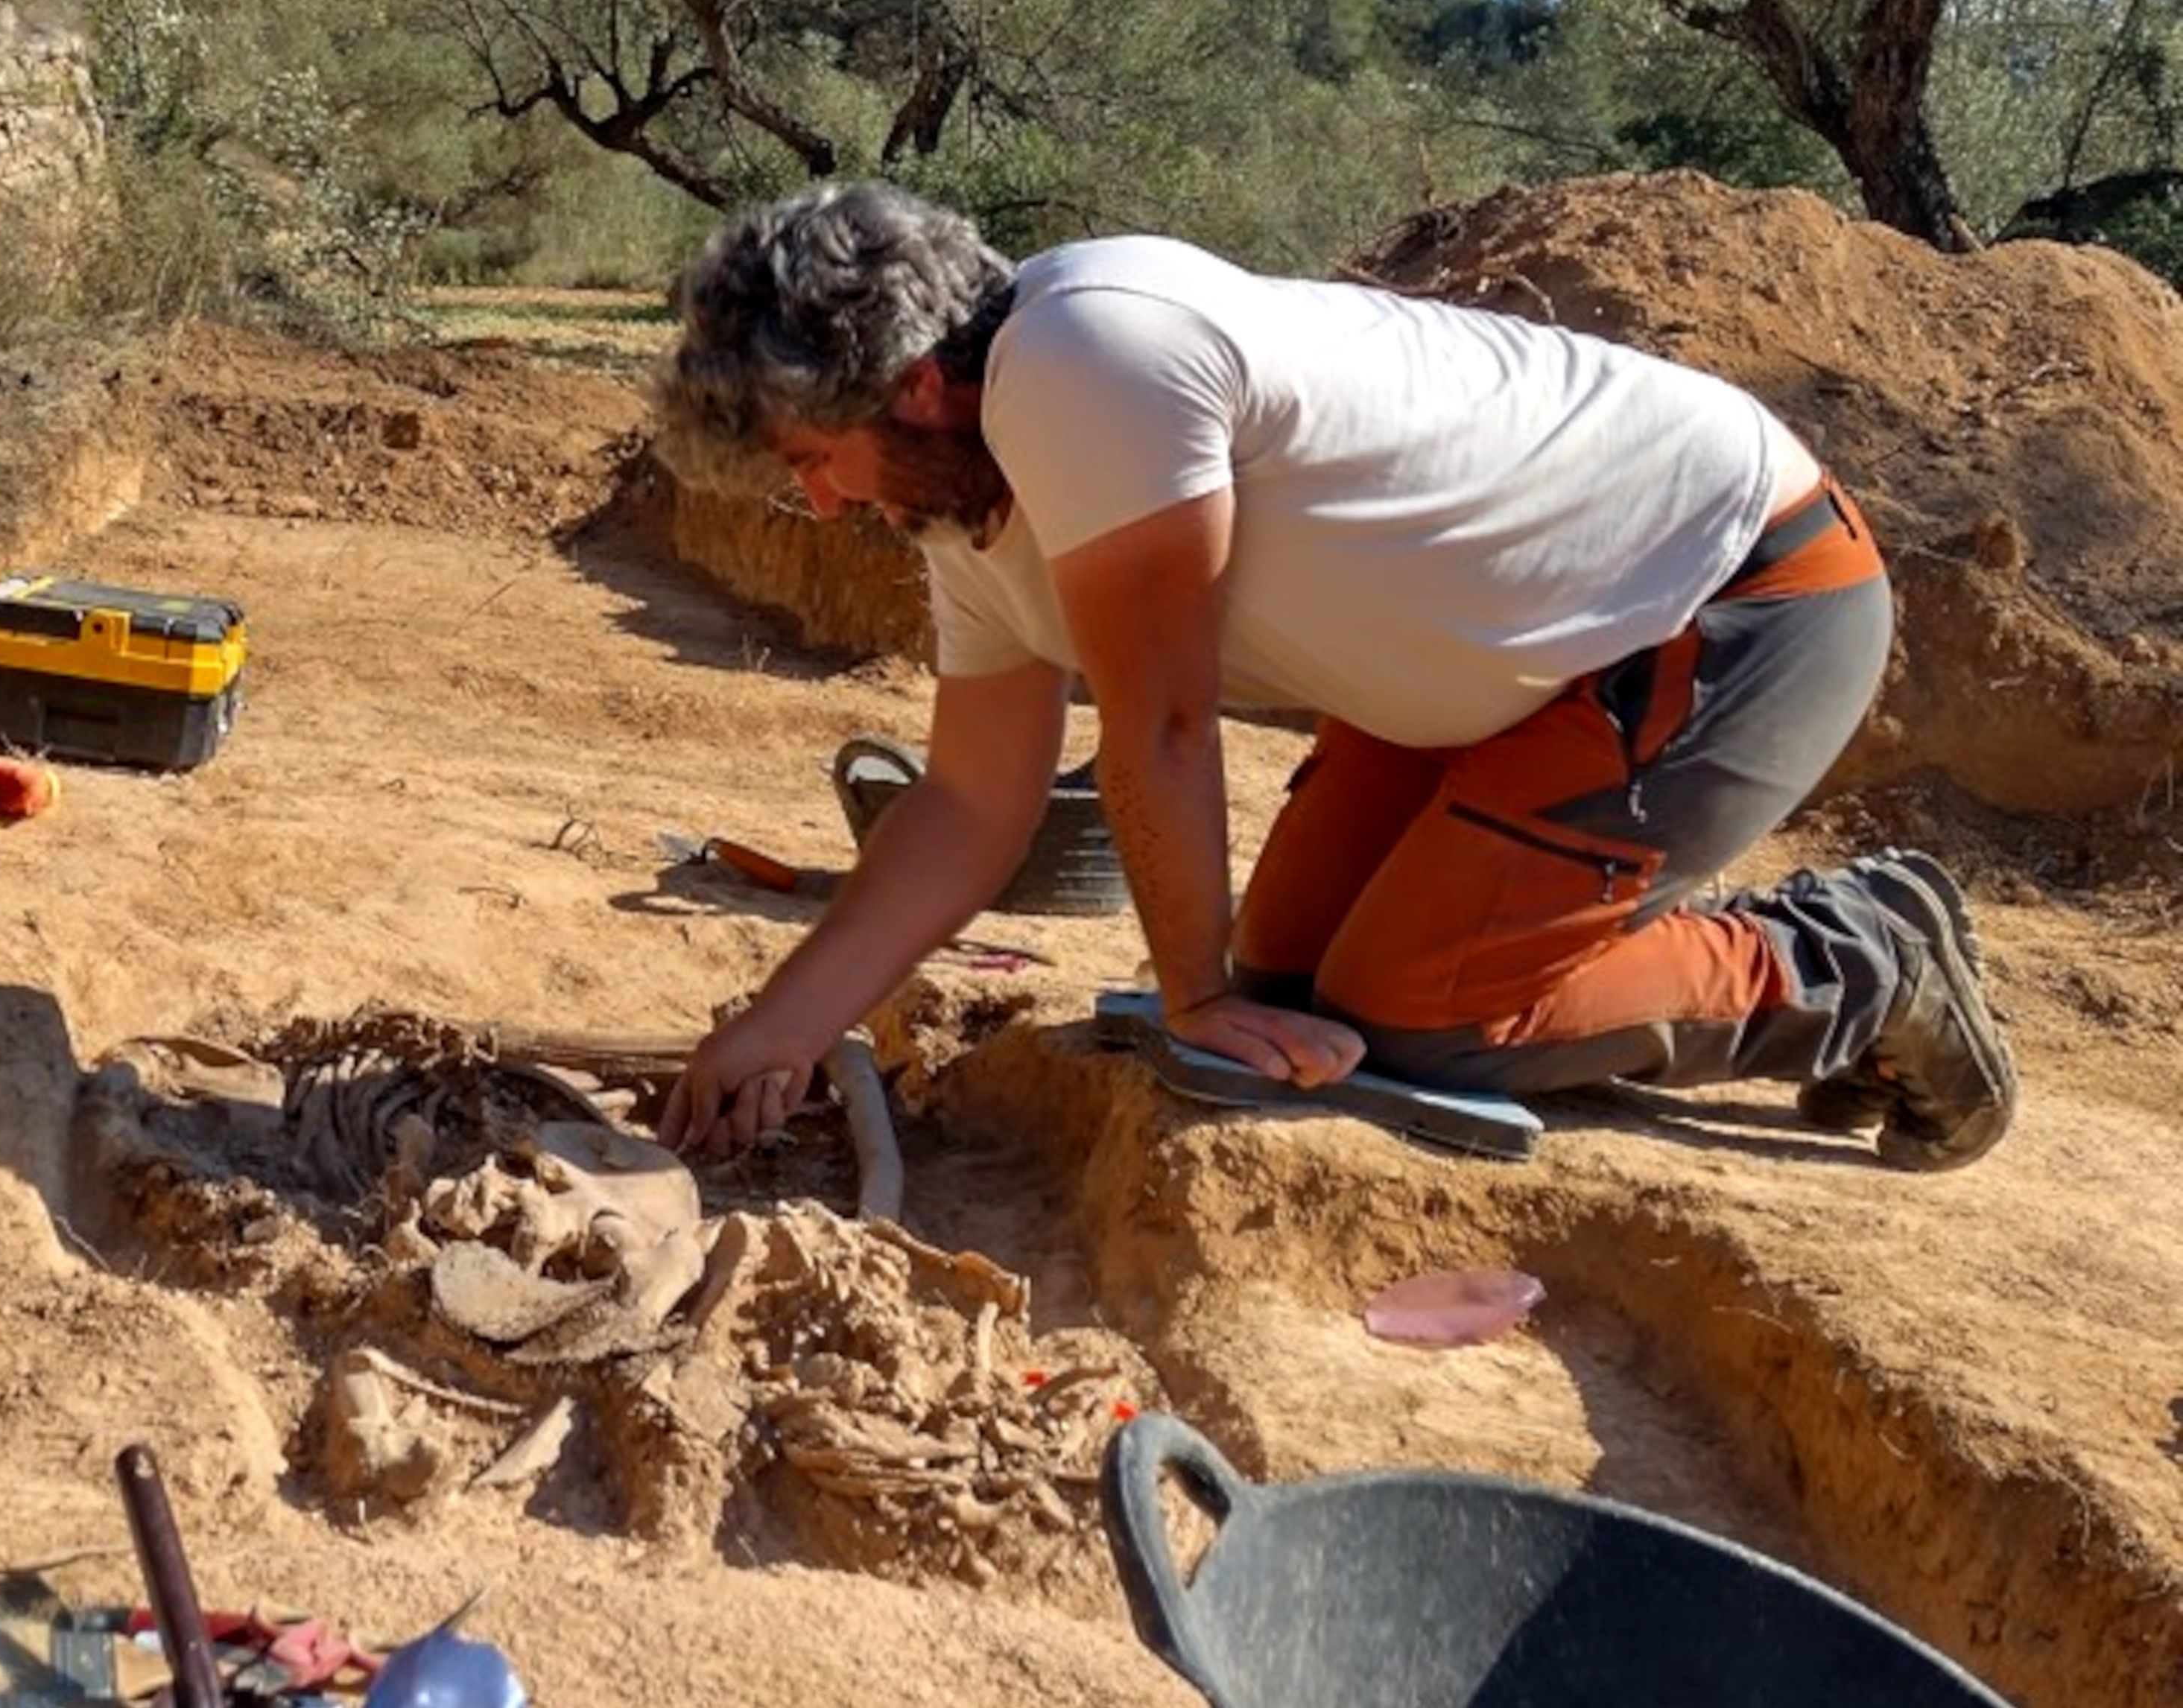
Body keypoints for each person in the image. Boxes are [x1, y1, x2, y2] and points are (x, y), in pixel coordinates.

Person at [647, 181, 2016, 1173]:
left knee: (1427, 1024)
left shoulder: (1083, 357)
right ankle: (1618, 933)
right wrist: (776, 1030)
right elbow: (965, 808)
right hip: (1500, 667)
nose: (820, 507)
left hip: (1722, 597)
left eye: (807, 459)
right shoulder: (975, 512)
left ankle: (1858, 960)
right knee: (1296, 993)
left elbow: (1165, 718)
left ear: (910, 387)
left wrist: (1194, 1001)